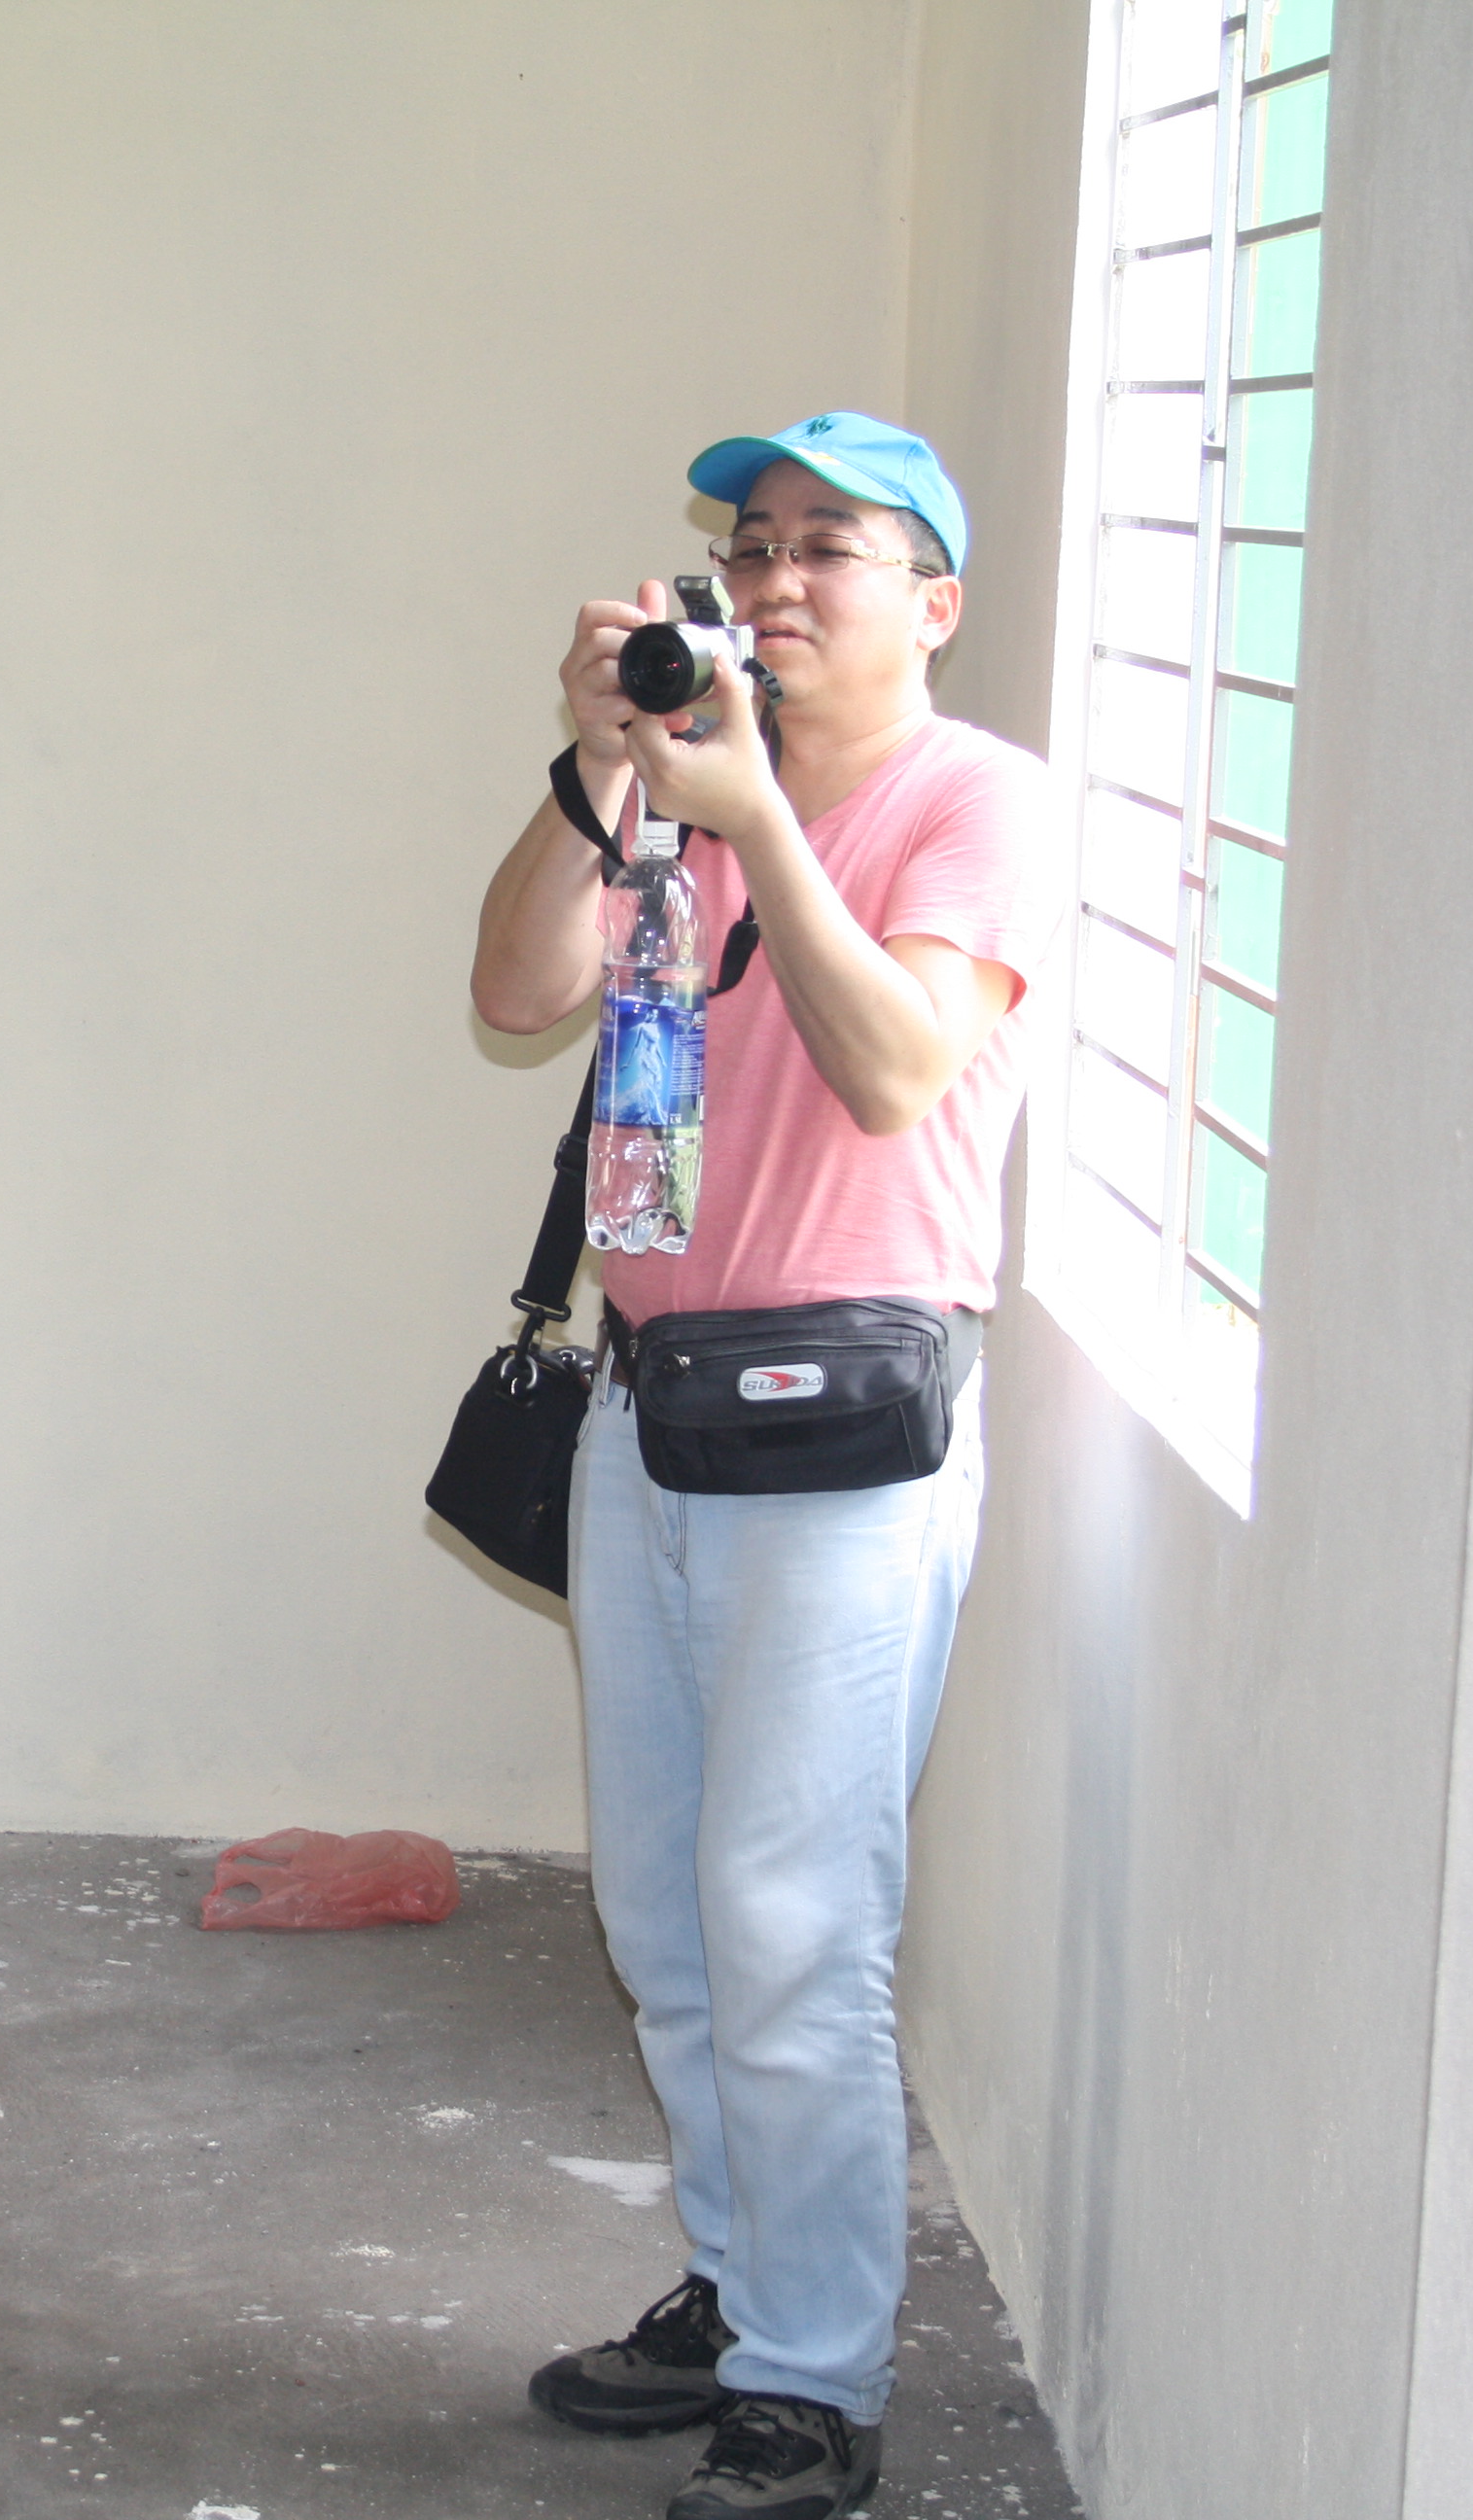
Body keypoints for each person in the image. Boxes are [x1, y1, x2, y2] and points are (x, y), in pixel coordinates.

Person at [470, 415, 1058, 2520]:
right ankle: (737, 2282)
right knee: (667, 1908)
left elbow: (899, 1067)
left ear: (934, 602)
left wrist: (760, 827)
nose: (777, 578)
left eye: (832, 546)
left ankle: (816, 2374)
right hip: (650, 1410)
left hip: (842, 1438)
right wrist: (600, 772)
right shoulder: (675, 777)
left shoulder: (974, 799)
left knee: (797, 1921)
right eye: (752, 542)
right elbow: (513, 990)